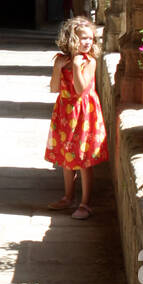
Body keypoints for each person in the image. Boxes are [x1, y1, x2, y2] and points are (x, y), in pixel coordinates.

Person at [44, 15, 108, 219]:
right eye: (83, 38)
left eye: (91, 38)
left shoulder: (89, 61)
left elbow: (81, 90)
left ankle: (85, 202)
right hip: (65, 111)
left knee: (83, 159)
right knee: (67, 156)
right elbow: (54, 87)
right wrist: (58, 68)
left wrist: (77, 66)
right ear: (72, 39)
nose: (88, 42)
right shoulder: (62, 60)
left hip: (84, 113)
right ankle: (68, 196)